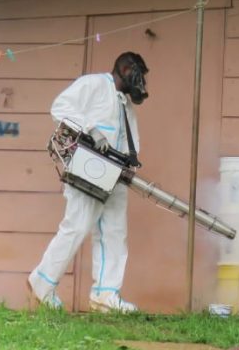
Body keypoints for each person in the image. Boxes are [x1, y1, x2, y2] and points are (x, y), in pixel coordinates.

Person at [28, 51, 149, 312]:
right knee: (77, 226)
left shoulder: (126, 105)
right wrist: (91, 129)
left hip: (116, 175)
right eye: (138, 74)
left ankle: (106, 295)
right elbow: (60, 106)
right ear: (126, 69)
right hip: (89, 171)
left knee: (115, 233)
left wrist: (130, 165)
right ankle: (42, 284)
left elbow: (132, 141)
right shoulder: (93, 84)